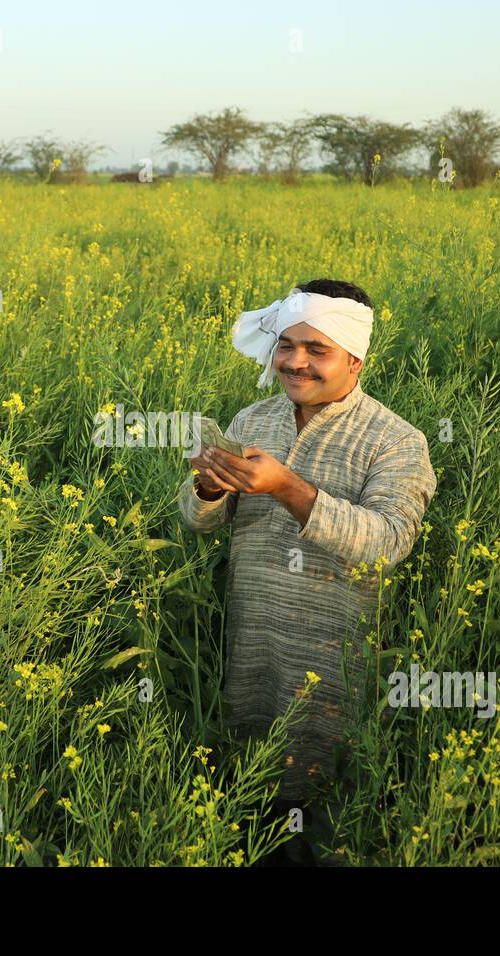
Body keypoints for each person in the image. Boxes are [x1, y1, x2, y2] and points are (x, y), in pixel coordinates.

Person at [177, 278, 437, 863]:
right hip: (251, 643)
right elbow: (198, 523)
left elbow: (388, 541)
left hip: (333, 662)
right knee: (245, 784)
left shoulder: (396, 441)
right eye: (287, 345)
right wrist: (206, 487)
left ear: (355, 358)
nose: (295, 362)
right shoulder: (253, 420)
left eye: (316, 351)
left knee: (323, 812)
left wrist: (289, 488)